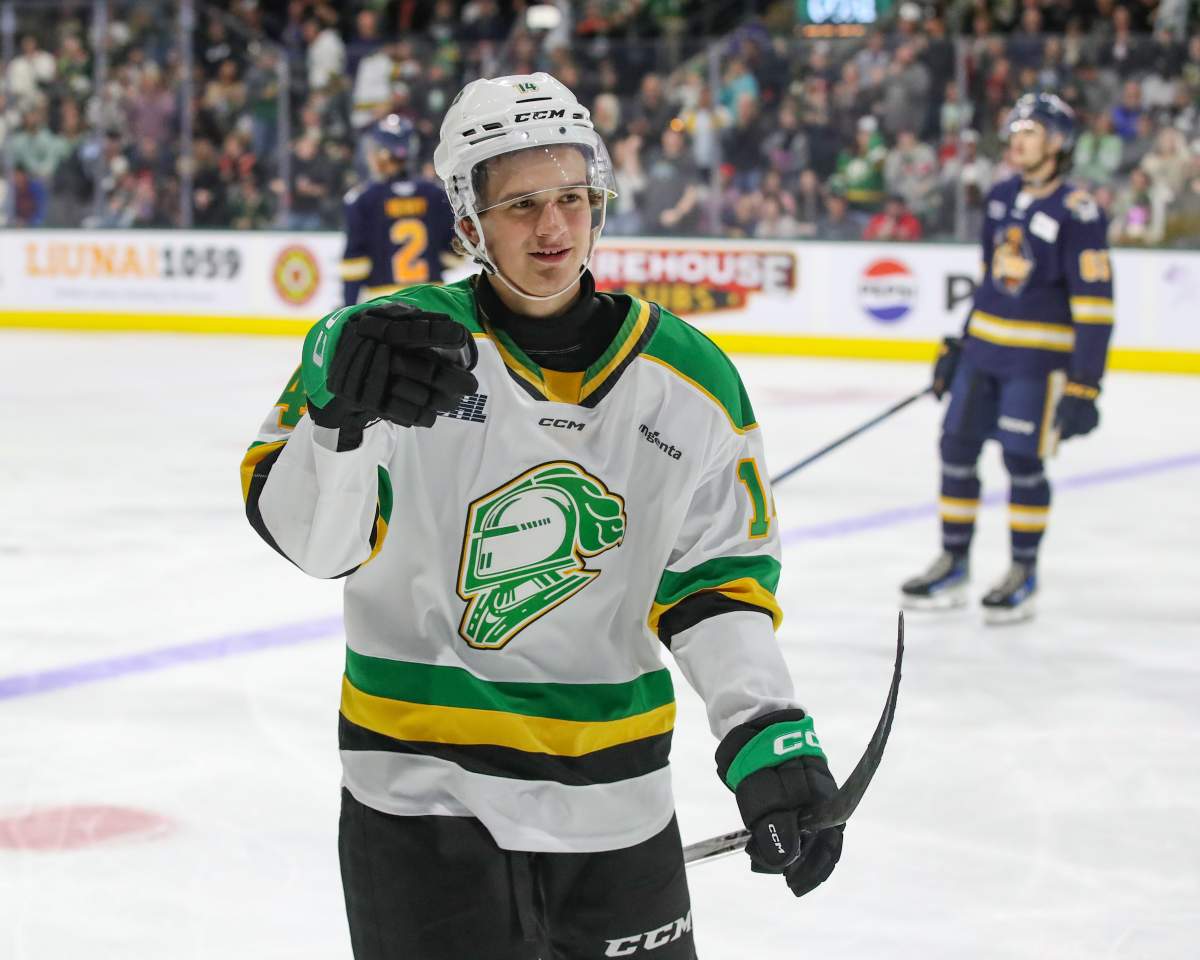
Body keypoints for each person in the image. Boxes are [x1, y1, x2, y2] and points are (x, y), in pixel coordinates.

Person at [241, 73, 844, 958]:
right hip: (416, 801)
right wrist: (338, 417)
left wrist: (765, 731)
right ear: (469, 222)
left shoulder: (689, 383)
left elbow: (715, 586)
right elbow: (319, 546)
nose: (554, 228)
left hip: (612, 803)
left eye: (570, 197)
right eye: (521, 204)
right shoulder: (394, 349)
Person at [901, 93, 1115, 623]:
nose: (1018, 141)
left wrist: (1086, 384)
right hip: (983, 354)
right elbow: (990, 282)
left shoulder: (1078, 212)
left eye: (1032, 131)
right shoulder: (999, 197)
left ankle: (1024, 571)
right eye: (1015, 131)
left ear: (1058, 142)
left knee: (1022, 460)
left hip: (1037, 364)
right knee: (955, 448)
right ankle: (954, 562)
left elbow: (1094, 306)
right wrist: (960, 343)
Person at [339, 114, 457, 305]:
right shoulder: (436, 194)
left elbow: (354, 265)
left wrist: (347, 310)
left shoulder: (363, 199)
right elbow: (454, 253)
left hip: (383, 305)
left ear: (383, 155)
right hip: (432, 300)